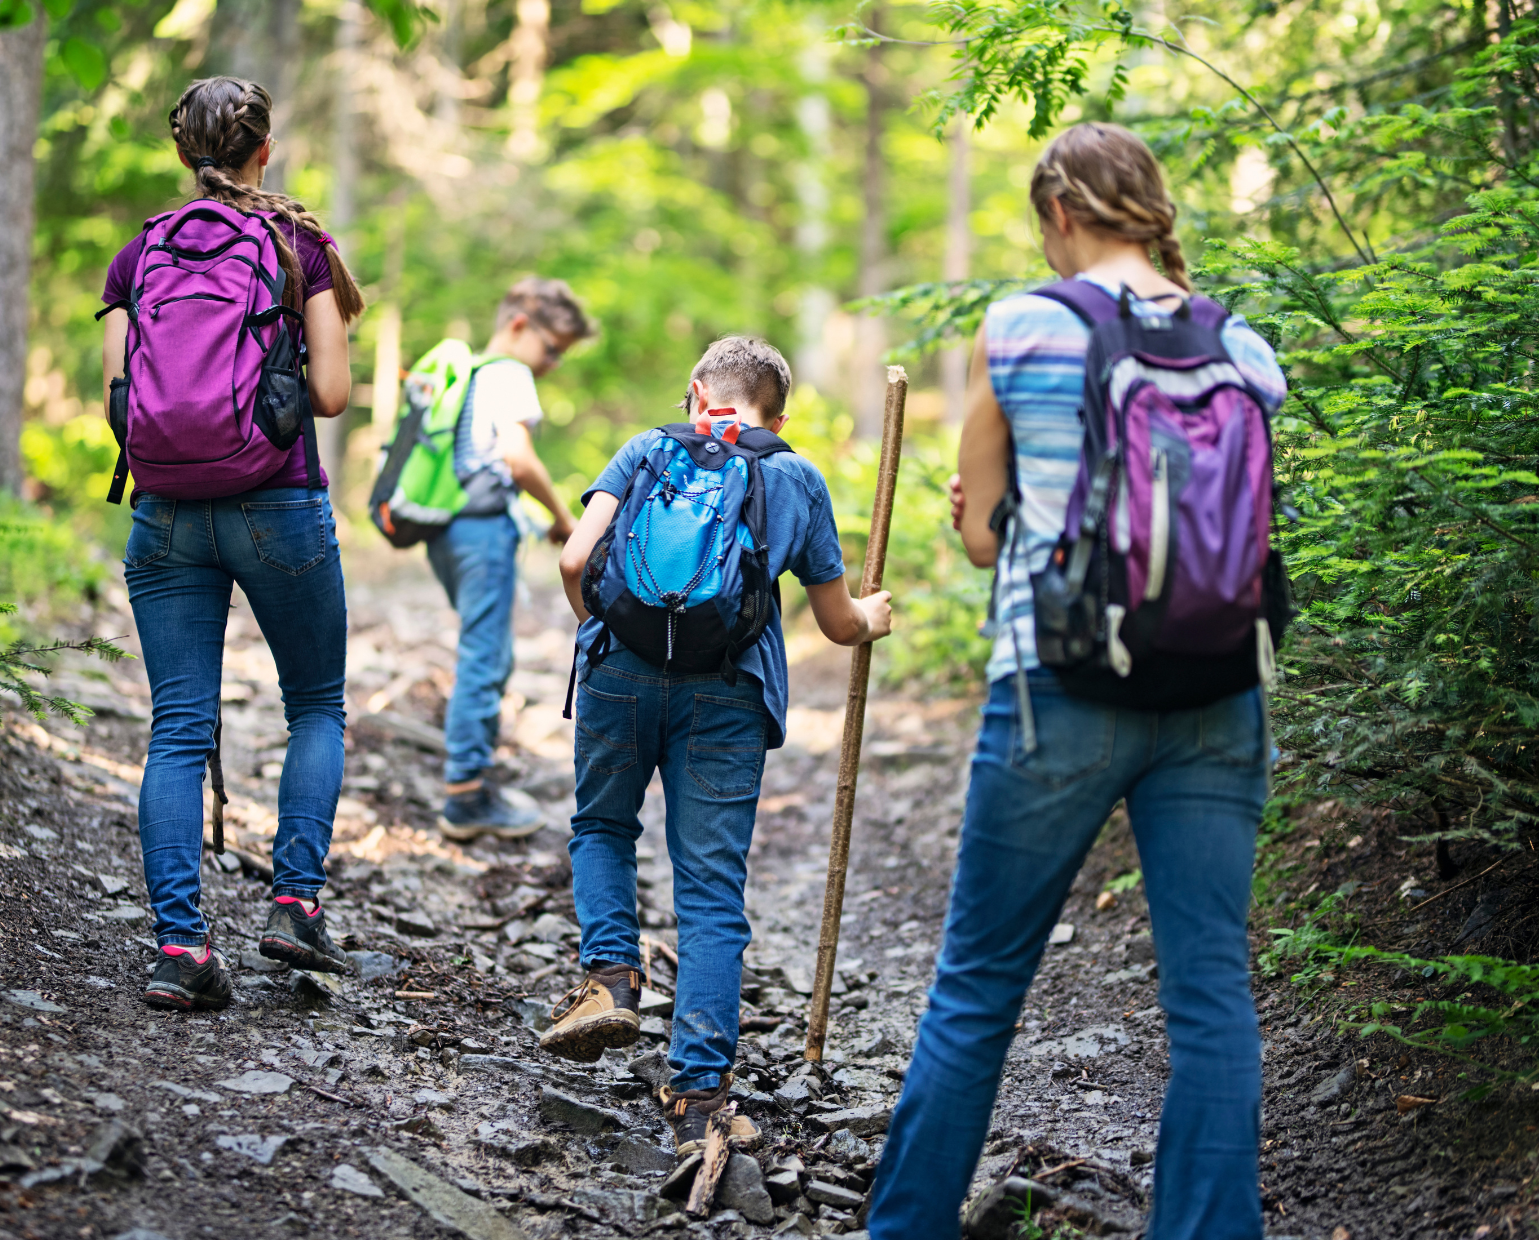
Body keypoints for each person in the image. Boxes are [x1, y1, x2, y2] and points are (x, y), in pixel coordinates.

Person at [865, 123, 1287, 1240]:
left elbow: (983, 538)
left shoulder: (1020, 326)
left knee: (976, 986)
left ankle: (903, 1229)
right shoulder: (1240, 347)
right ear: (1147, 206)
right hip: (1217, 693)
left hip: (1055, 689)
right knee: (1208, 1000)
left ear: (1058, 213)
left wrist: (981, 507)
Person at [547, 336, 895, 1158]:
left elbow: (573, 557)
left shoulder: (643, 451)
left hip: (617, 676)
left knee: (601, 828)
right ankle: (697, 1095)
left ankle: (611, 977)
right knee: (710, 891)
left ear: (697, 392)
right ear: (779, 414)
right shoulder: (797, 476)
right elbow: (838, 623)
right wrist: (874, 618)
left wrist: (610, 637)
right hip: (728, 694)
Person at [100, 76, 365, 1011]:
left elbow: (119, 403)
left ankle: (182, 949)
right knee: (316, 708)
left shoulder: (140, 253)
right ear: (266, 150)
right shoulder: (301, 246)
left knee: (177, 730)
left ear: (184, 153)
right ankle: (294, 903)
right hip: (278, 504)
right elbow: (330, 398)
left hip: (164, 514)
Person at [430, 278, 592, 841]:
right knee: (486, 657)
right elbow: (517, 457)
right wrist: (563, 515)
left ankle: (470, 781)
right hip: (483, 531)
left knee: (482, 650)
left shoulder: (471, 373)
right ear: (521, 325)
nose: (552, 363)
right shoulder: (509, 373)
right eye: (552, 349)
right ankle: (467, 795)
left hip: (448, 529)